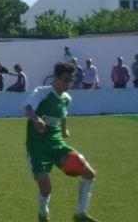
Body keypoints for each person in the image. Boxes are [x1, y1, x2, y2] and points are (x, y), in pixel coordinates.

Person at [23, 61, 99, 222]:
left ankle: (80, 214)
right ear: (56, 78)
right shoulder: (42, 92)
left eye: (71, 80)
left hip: (57, 145)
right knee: (46, 188)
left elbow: (63, 115)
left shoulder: (66, 98)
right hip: (37, 148)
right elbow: (28, 109)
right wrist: (36, 120)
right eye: (65, 80)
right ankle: (43, 215)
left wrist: (64, 130)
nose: (68, 84)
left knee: (89, 173)